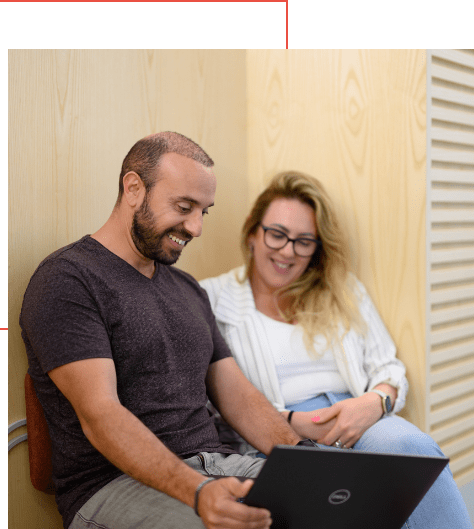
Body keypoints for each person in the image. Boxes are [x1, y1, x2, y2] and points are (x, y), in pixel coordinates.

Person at [20, 132, 305, 529]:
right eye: (184, 207)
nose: (195, 227)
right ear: (134, 188)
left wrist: (306, 455)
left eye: (204, 211)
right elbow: (101, 416)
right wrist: (199, 491)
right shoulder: (68, 280)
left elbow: (237, 396)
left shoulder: (188, 289)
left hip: (216, 466)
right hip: (111, 487)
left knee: (342, 506)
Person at [200, 170, 473, 528]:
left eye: (304, 241)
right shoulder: (211, 298)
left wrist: (374, 403)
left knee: (410, 446)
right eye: (277, 235)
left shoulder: (342, 291)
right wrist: (294, 424)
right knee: (343, 502)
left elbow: (387, 368)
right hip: (282, 432)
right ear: (253, 231)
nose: (287, 251)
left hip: (359, 417)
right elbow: (209, 404)